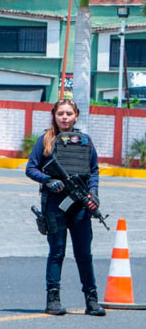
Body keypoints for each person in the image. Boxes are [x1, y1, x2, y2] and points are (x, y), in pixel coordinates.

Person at [25, 99, 105, 317]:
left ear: (76, 116)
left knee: (83, 254)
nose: (65, 117)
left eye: (69, 113)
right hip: (55, 204)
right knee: (57, 252)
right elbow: (30, 168)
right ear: (54, 114)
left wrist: (93, 195)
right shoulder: (46, 140)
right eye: (61, 113)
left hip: (79, 205)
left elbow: (94, 171)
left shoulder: (85, 141)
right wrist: (48, 180)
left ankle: (91, 299)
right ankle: (53, 299)